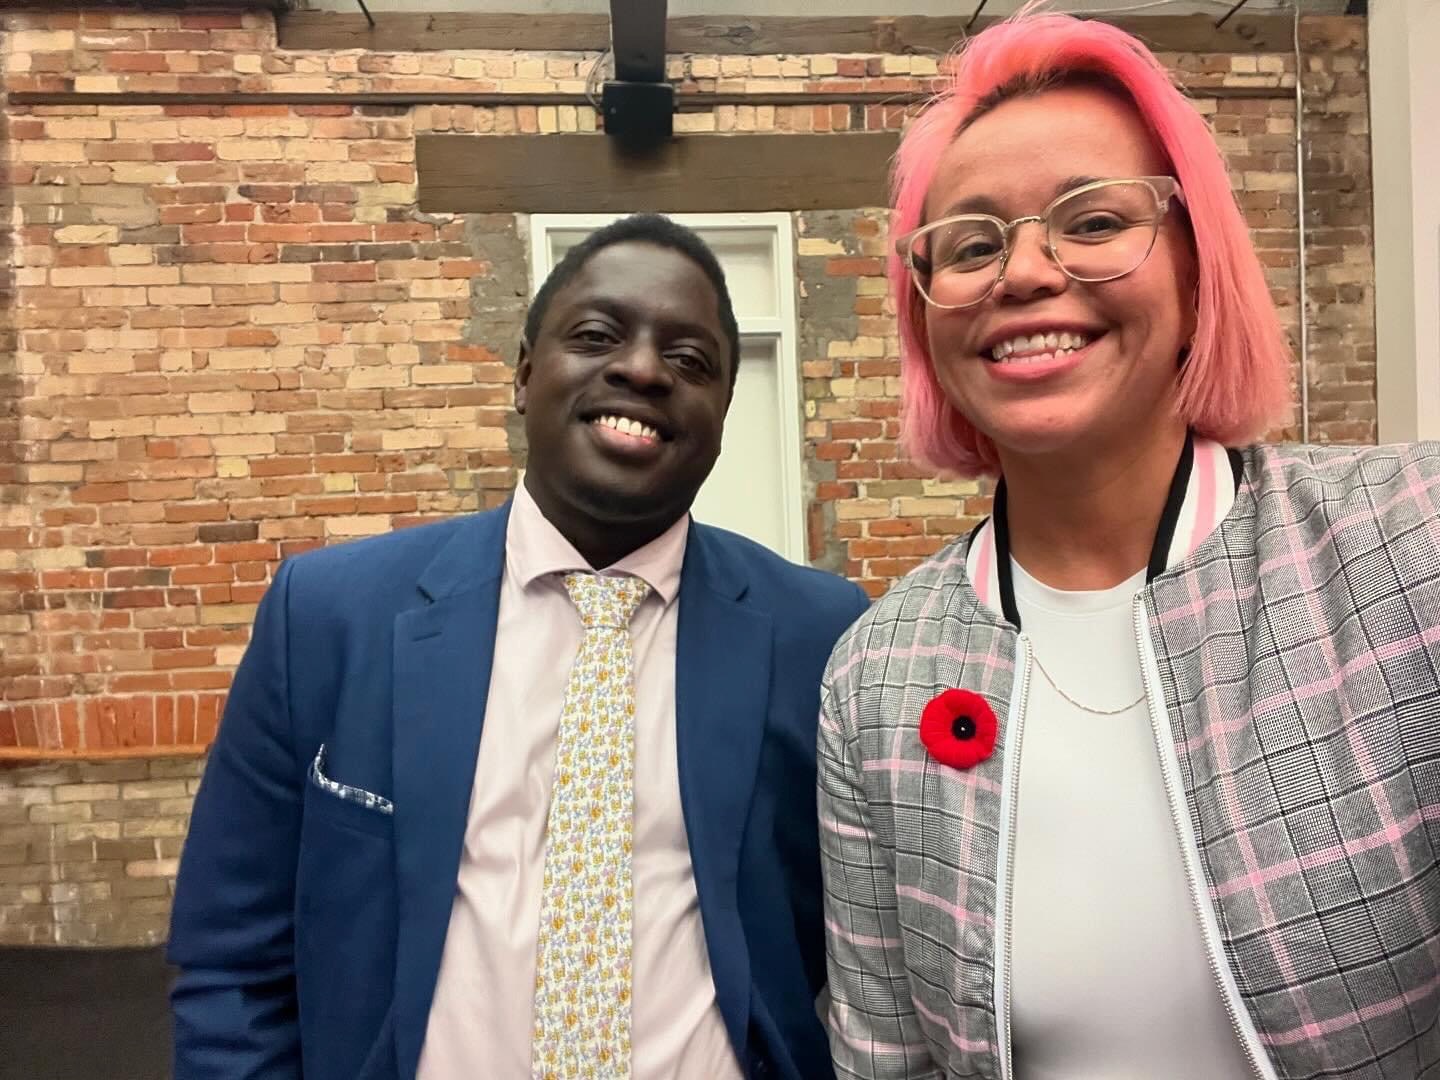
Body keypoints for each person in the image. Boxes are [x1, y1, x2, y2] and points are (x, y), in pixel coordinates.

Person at [819, 13, 1440, 1080]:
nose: (1023, 272)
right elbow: (887, 1061)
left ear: (1201, 275)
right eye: (971, 244)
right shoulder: (876, 675)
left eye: (1095, 221)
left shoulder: (1408, 543)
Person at [169, 213, 868, 1080]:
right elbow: (233, 965)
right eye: (597, 336)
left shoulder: (821, 636)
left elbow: (869, 954)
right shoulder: (328, 616)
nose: (644, 369)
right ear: (525, 373)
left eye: (691, 361)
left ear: (723, 412)